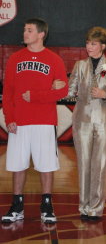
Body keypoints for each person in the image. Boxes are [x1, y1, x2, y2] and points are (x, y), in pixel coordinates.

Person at [1, 18, 68, 224]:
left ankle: (47, 206)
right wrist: (9, 118)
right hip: (19, 121)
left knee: (46, 165)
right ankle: (17, 206)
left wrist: (37, 95)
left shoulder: (54, 59)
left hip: (44, 121)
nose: (25, 33)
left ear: (41, 34)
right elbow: (8, 92)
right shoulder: (15, 59)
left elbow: (63, 90)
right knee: (17, 165)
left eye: (29, 30)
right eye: (24, 30)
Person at [67, 27, 106, 221]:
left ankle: (96, 208)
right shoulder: (79, 65)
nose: (88, 47)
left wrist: (105, 95)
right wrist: (60, 87)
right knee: (83, 164)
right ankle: (83, 206)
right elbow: (70, 92)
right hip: (81, 121)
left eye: (93, 43)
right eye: (87, 43)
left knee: (99, 165)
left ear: (103, 46)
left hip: (104, 122)